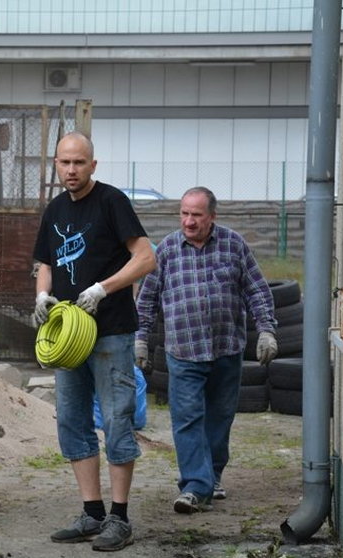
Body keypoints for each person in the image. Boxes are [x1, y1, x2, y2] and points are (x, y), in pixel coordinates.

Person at [32, 131, 156, 552]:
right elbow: (46, 262)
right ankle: (92, 512)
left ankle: (120, 519)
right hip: (69, 337)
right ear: (55, 165)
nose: (71, 170)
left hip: (112, 333)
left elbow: (146, 257)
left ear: (93, 165)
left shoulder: (112, 202)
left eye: (79, 163)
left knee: (118, 421)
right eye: (65, 163)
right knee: (72, 421)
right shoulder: (54, 210)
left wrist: (104, 288)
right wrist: (41, 294)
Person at [135, 186, 277, 514]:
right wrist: (141, 339)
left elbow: (256, 289)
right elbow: (147, 300)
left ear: (212, 216)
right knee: (186, 418)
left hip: (226, 349)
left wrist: (267, 330)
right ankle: (195, 487)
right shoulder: (168, 249)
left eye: (196, 215)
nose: (189, 221)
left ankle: (211, 476)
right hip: (183, 351)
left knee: (219, 417)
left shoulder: (233, 245)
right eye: (184, 213)